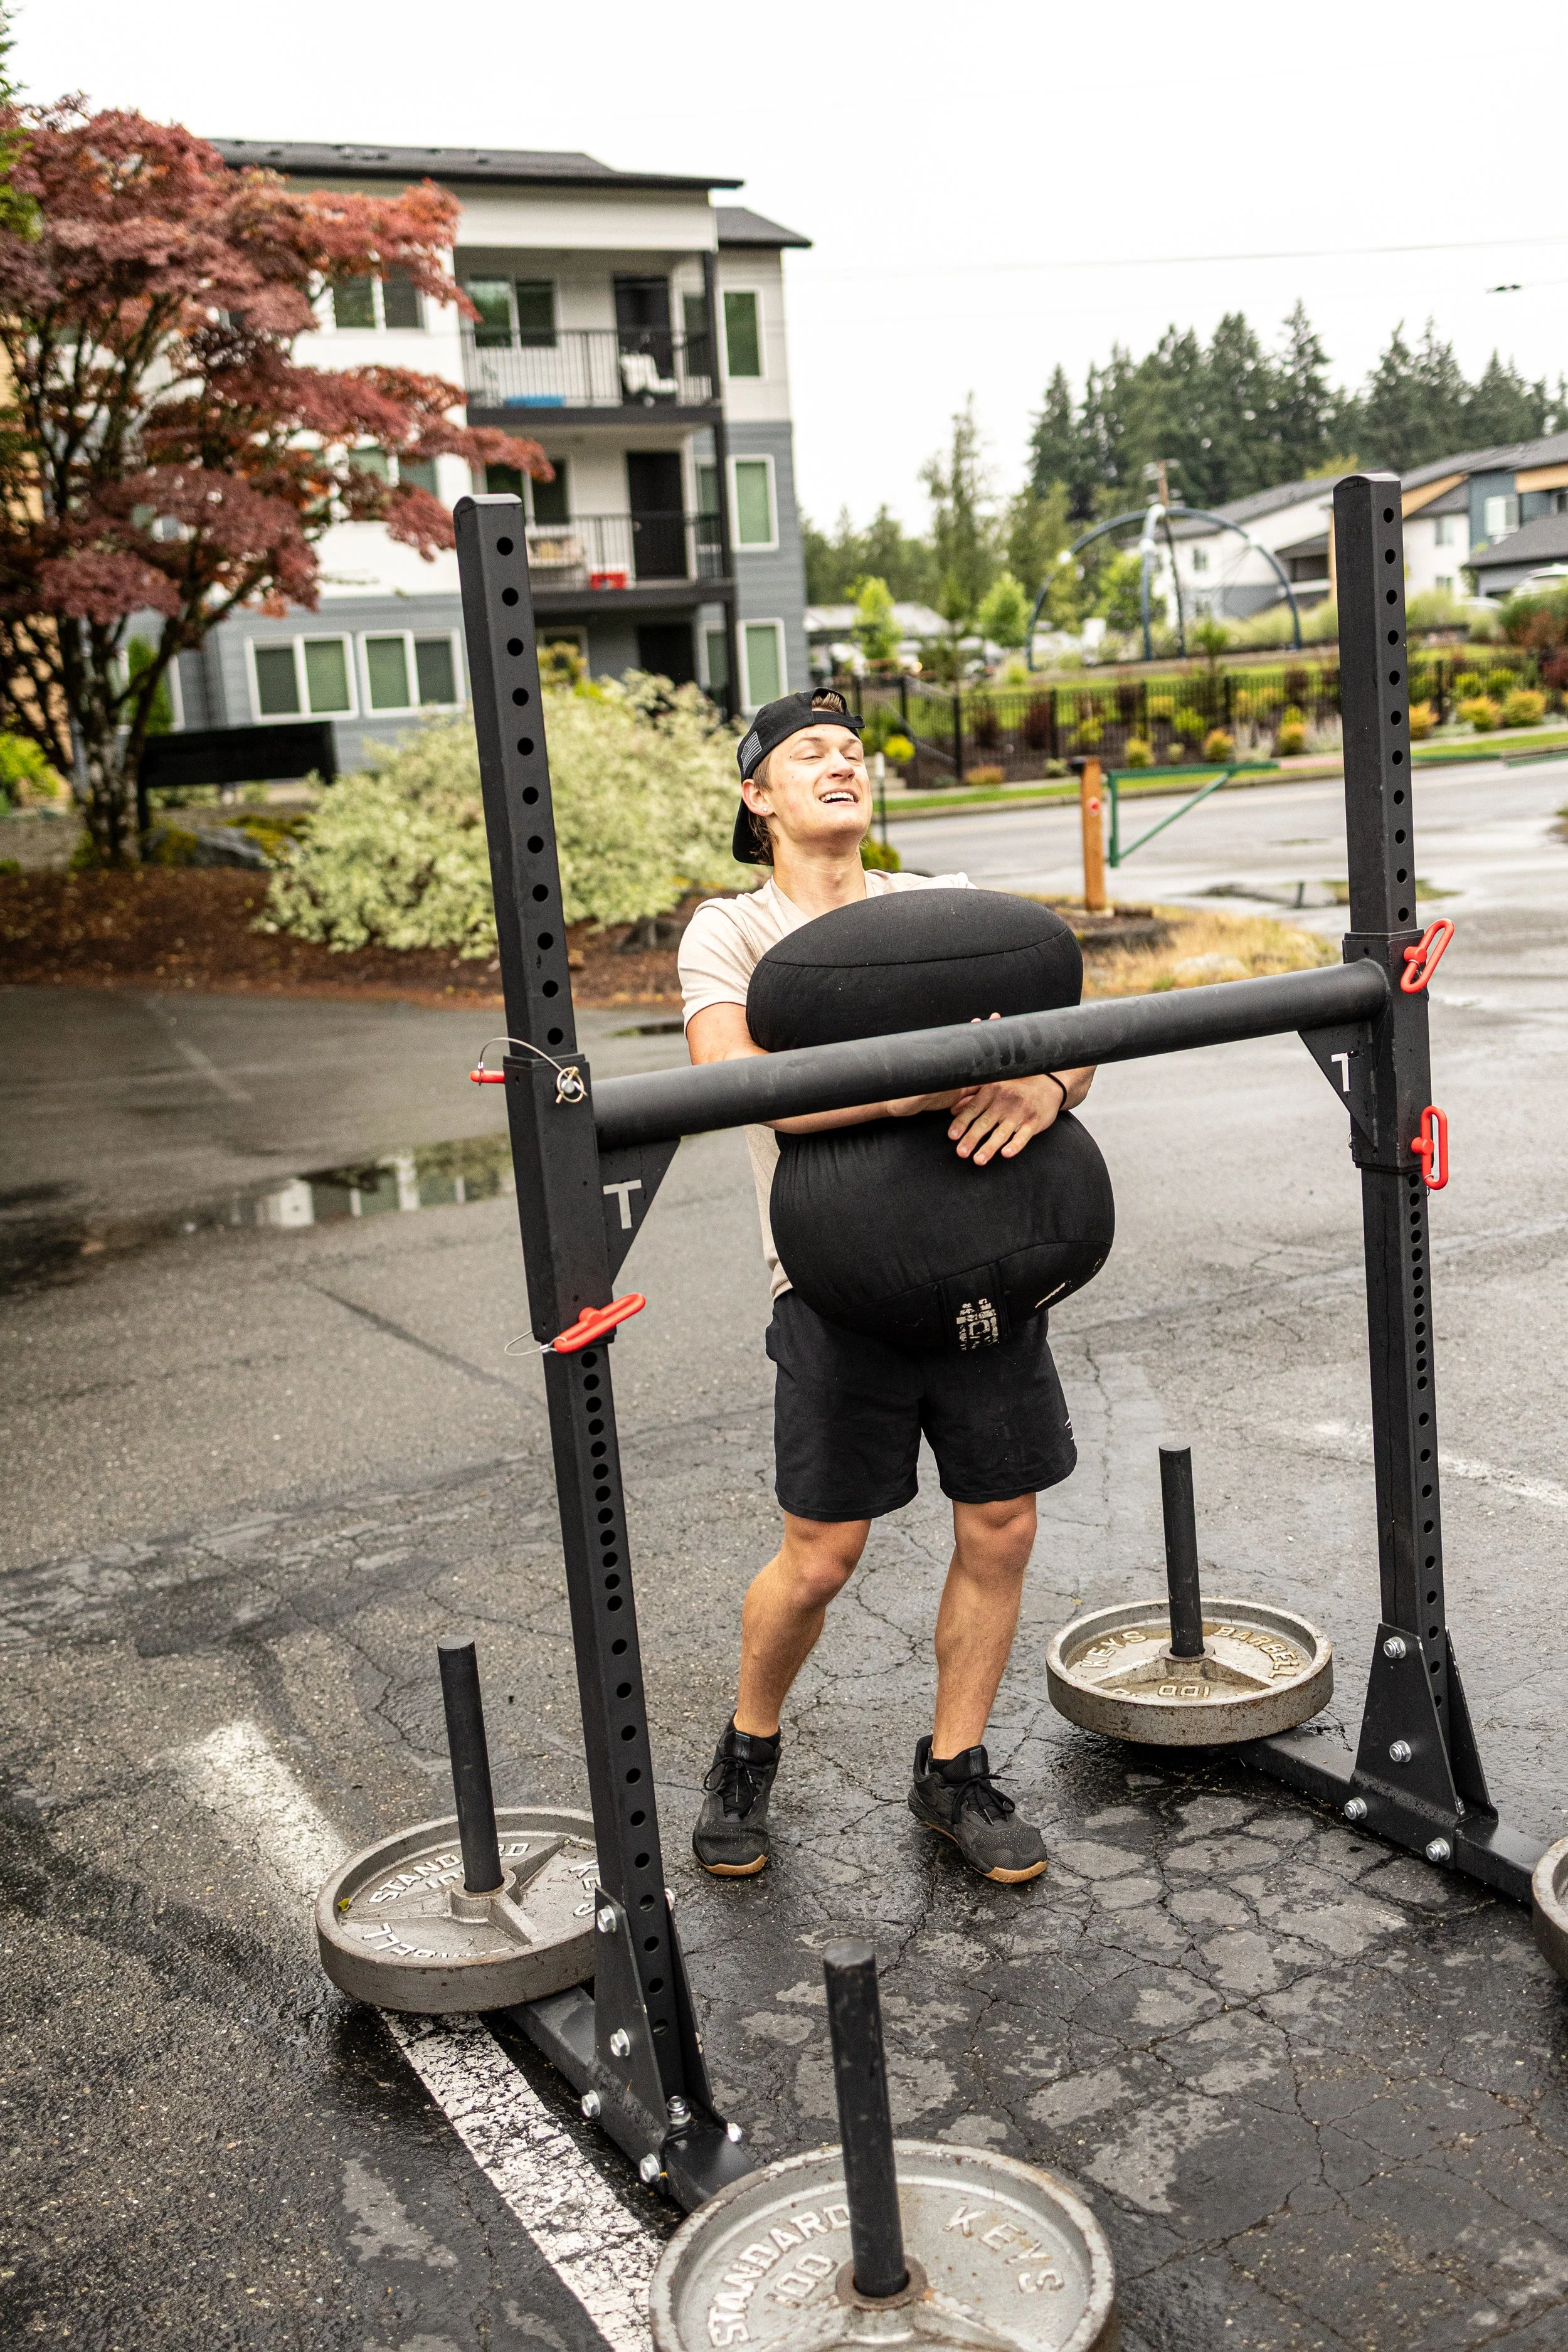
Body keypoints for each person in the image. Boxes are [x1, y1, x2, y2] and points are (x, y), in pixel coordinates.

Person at [677, 688, 1095, 1885]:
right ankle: (748, 1750)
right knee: (821, 1555)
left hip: (983, 1255)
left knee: (1002, 1522)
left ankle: (952, 1770)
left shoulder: (939, 911)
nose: (842, 762)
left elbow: (1074, 1027)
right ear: (758, 796)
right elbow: (735, 1083)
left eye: (854, 749)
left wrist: (1050, 1085)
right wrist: (908, 1088)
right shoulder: (730, 931)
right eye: (810, 751)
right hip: (829, 1280)